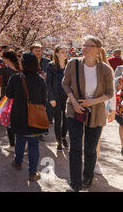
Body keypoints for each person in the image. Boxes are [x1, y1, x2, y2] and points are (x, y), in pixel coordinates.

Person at [62, 35, 114, 191]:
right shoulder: (73, 64)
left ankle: (87, 177)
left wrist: (92, 102)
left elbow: (109, 93)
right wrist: (74, 102)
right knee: (75, 147)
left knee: (91, 149)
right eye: (84, 44)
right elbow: (65, 84)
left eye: (89, 45)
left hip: (96, 111)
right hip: (74, 109)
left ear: (98, 49)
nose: (84, 47)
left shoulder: (105, 69)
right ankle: (75, 183)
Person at [6, 52, 48, 181]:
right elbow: (43, 100)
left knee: (20, 140)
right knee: (34, 145)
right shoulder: (41, 80)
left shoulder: (15, 78)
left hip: (19, 115)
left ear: (23, 63)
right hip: (35, 118)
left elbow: (9, 95)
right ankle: (32, 173)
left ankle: (18, 162)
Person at [0, 50, 21, 152]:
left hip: (8, 98)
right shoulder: (20, 68)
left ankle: (12, 146)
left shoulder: (5, 69)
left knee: (10, 121)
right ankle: (23, 143)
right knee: (19, 121)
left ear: (7, 59)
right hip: (20, 98)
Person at [46, 45, 70, 151]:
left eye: (66, 52)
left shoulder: (70, 65)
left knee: (67, 119)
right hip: (55, 96)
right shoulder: (51, 65)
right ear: (56, 53)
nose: (65, 54)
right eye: (62, 52)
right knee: (57, 119)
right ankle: (58, 141)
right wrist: (51, 98)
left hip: (68, 96)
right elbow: (48, 83)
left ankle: (64, 137)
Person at [30, 42, 53, 130]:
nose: (38, 52)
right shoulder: (28, 62)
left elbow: (51, 75)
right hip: (32, 88)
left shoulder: (47, 62)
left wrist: (47, 75)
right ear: (31, 52)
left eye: (39, 50)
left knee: (45, 107)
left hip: (44, 87)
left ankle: (44, 126)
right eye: (36, 51)